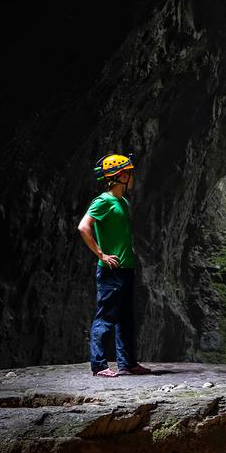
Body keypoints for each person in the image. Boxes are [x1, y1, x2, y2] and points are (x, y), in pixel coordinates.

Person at [77, 153, 151, 377]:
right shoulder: (103, 201)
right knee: (106, 317)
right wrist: (101, 254)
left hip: (126, 267)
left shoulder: (122, 201)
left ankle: (127, 363)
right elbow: (83, 227)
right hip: (112, 270)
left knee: (126, 318)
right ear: (121, 176)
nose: (133, 176)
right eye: (130, 172)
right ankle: (99, 365)